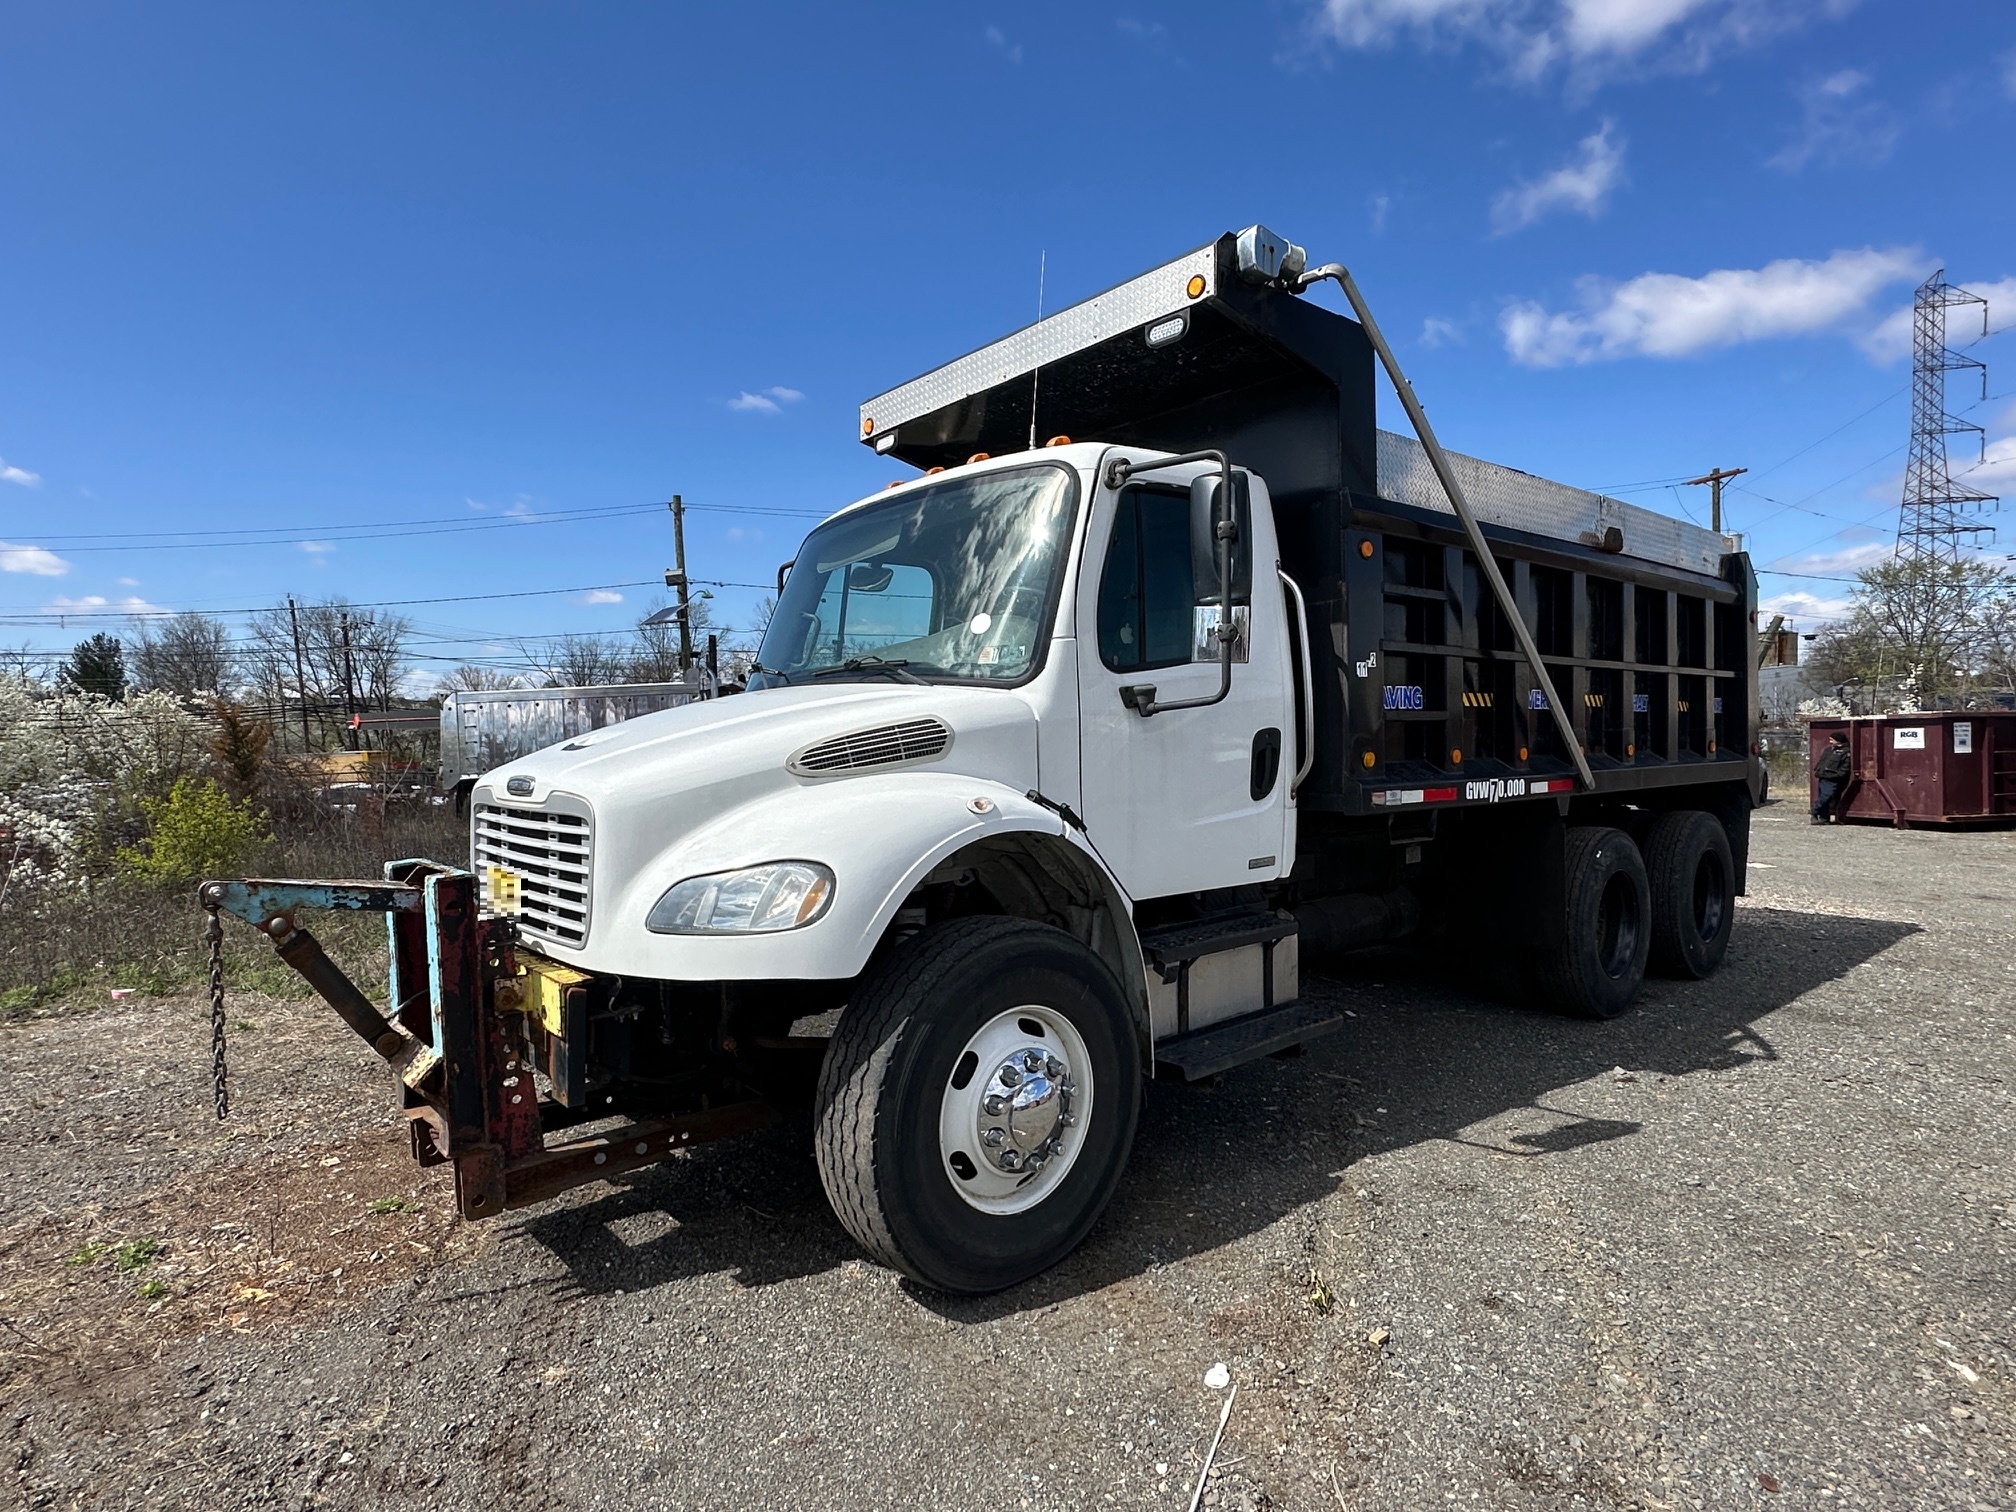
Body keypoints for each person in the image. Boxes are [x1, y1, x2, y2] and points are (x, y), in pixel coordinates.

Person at [1811, 730, 1852, 824]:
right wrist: (1818, 771)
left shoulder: (1845, 751)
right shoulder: (1829, 750)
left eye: (1832, 740)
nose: (1830, 742)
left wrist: (1839, 774)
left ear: (1838, 740)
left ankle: (1814, 811)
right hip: (1823, 776)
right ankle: (1824, 818)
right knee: (1824, 797)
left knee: (1826, 796)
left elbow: (1845, 766)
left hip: (1833, 778)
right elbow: (1822, 761)